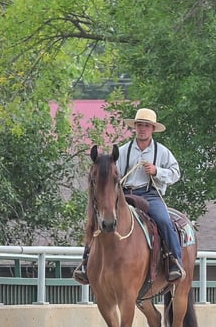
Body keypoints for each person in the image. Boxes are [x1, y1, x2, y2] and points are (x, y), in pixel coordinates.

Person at [73, 108, 185, 284]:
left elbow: (176, 173)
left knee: (163, 220)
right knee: (98, 218)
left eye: (146, 126)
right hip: (124, 194)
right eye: (139, 125)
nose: (142, 129)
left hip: (150, 194)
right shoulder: (123, 151)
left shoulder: (162, 152)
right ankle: (86, 261)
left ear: (152, 129)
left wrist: (157, 171)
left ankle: (174, 261)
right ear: (135, 127)